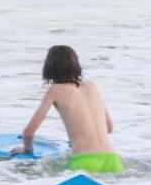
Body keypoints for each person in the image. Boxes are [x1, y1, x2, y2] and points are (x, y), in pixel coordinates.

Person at [22, 44, 123, 173]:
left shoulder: (55, 90)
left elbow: (28, 133)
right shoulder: (93, 86)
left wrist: (26, 150)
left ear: (49, 67)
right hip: (113, 160)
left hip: (86, 161)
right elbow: (109, 128)